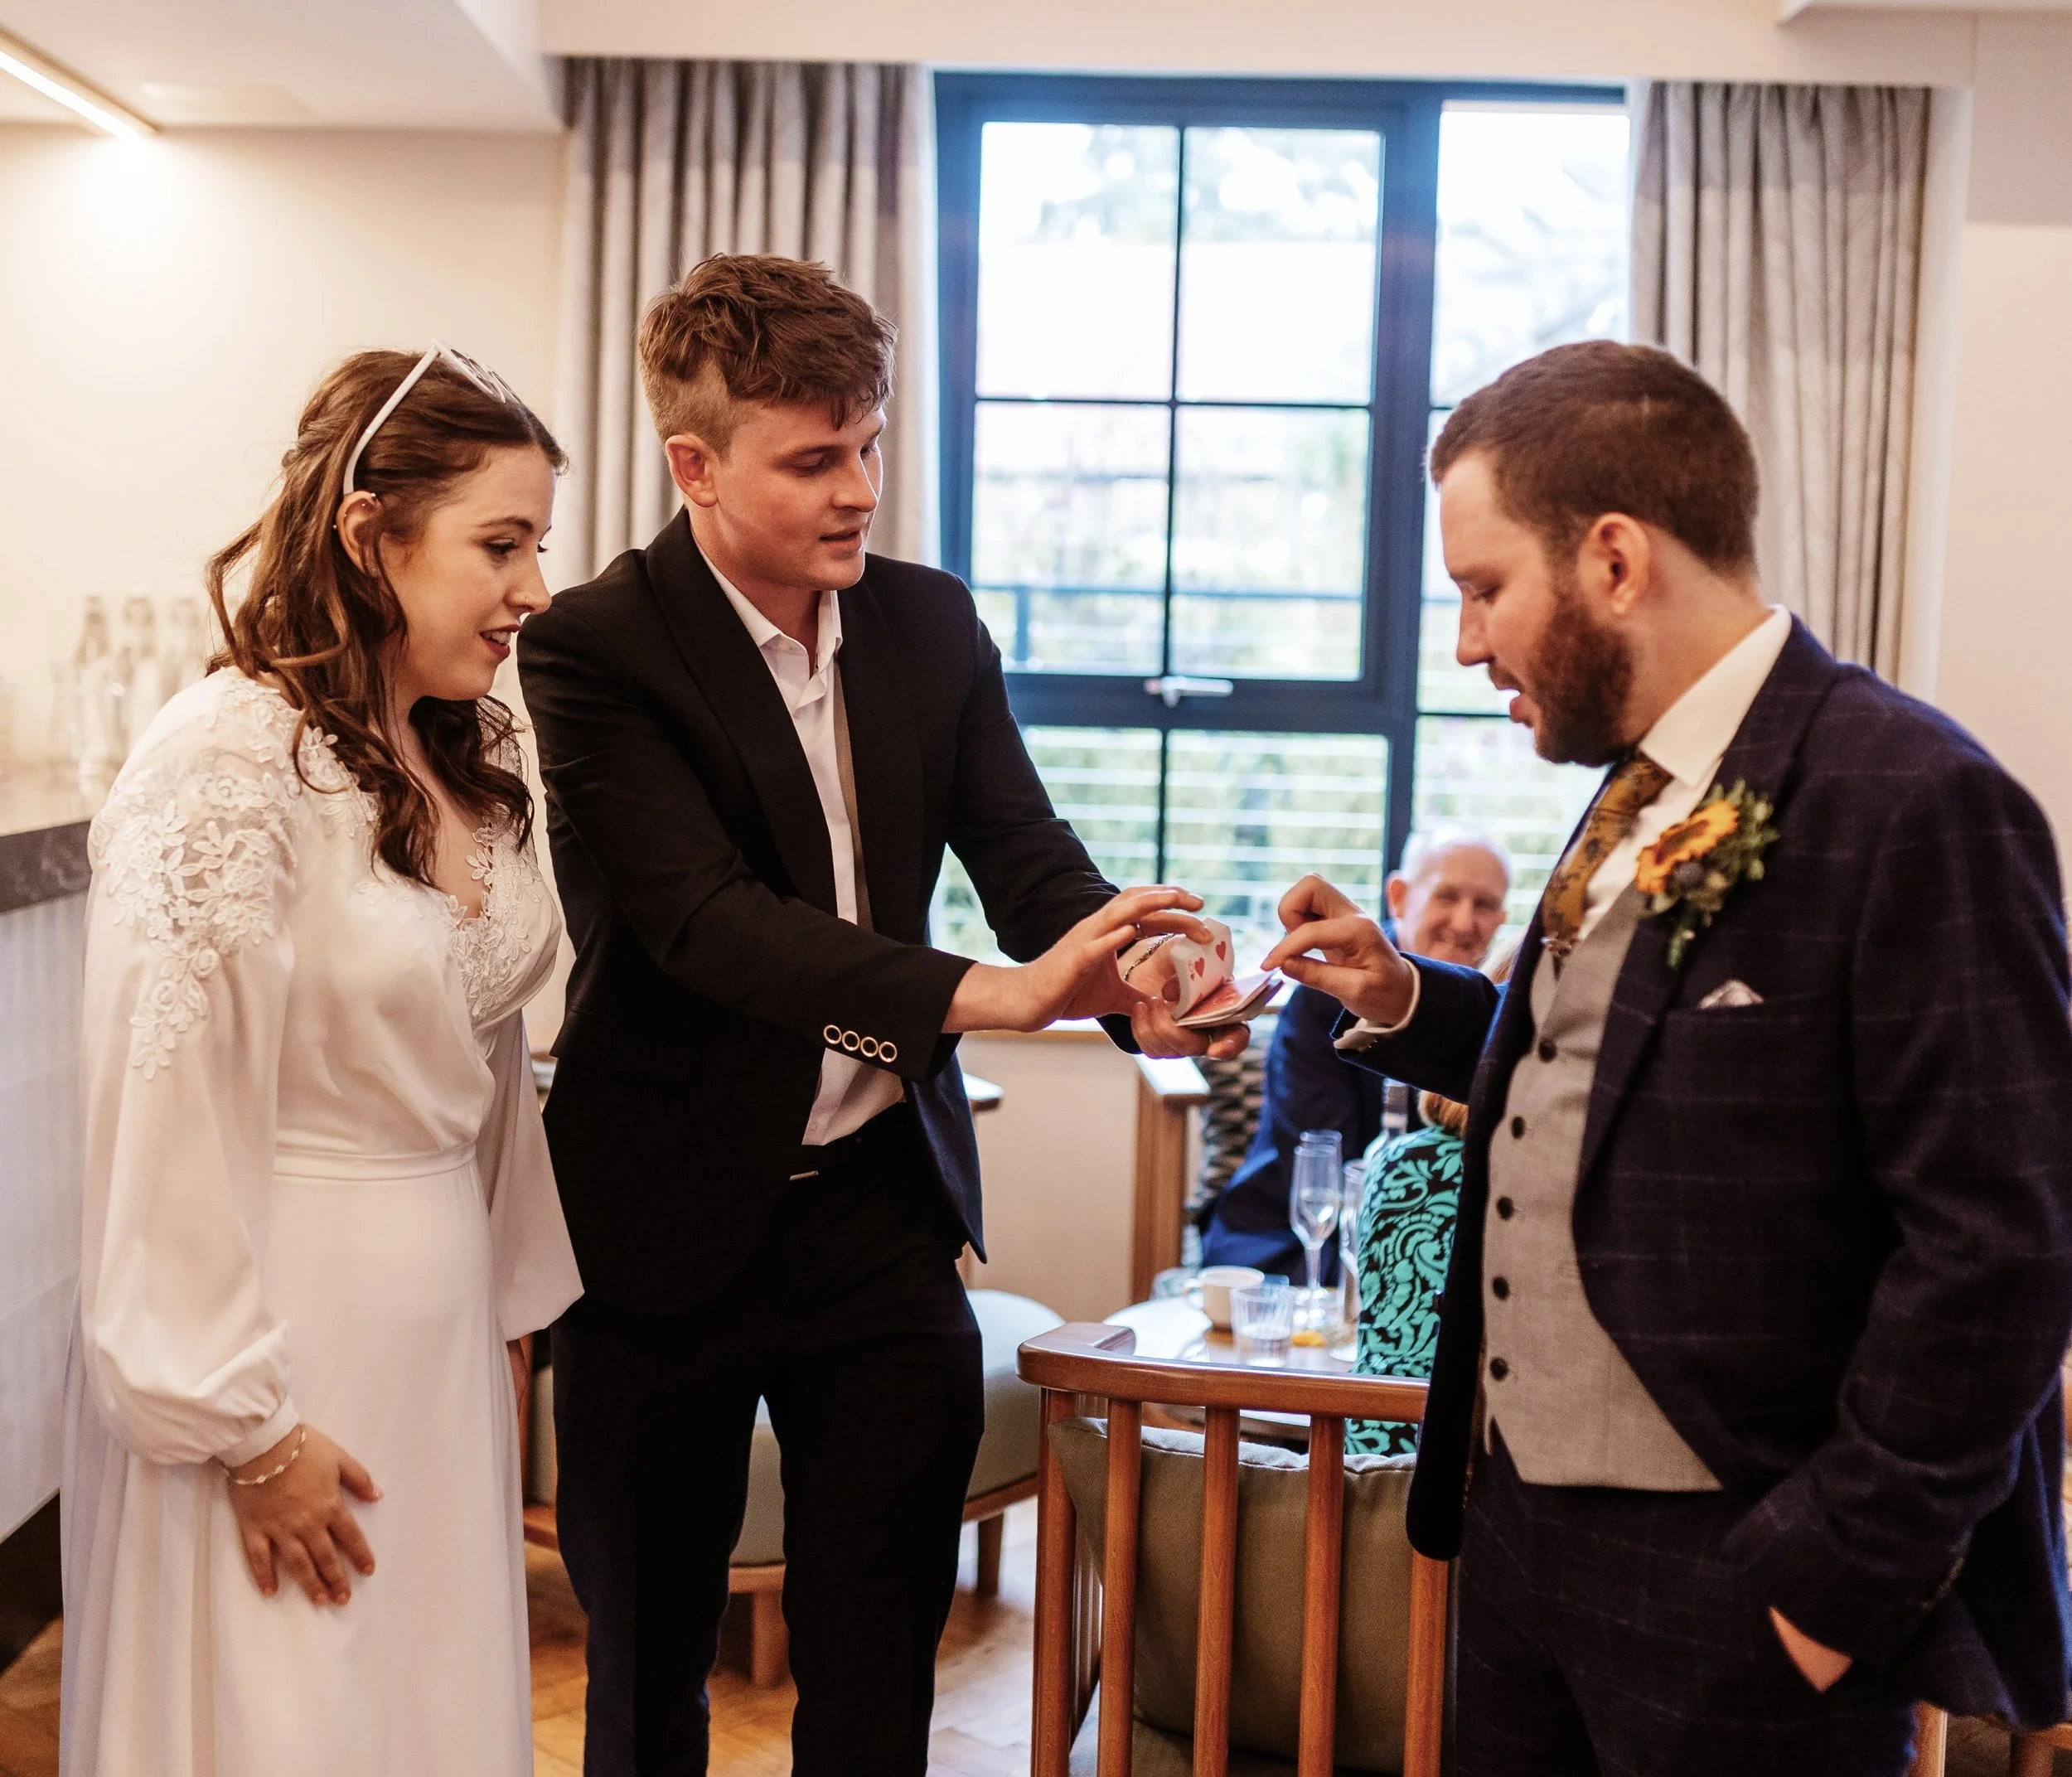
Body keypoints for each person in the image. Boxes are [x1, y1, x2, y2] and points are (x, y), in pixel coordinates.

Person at [1265, 340, 2072, 1775]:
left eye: (1484, 586)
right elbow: (1610, 1059)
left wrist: (1829, 1582)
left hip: (1743, 1577)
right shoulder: (1633, 784)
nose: (1463, 642)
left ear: (1616, 559)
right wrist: (1412, 997)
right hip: (1519, 1540)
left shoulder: (1918, 802)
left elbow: (2004, 1244)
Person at [516, 254, 1240, 1777]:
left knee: (880, 1654)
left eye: (870, 443)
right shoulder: (594, 645)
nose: (859, 489)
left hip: (878, 1216)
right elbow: (710, 924)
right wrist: (998, 993)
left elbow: (1029, 859)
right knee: (648, 1667)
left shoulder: (924, 620)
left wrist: (1139, 978)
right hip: (657, 1225)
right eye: (813, 457)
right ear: (695, 466)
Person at [61, 346, 583, 1776]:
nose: (535, 585)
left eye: (539, 541)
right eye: (500, 542)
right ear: (369, 534)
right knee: (294, 1710)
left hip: (440, 1342)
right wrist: (247, 1424)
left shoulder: (470, 750)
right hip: (288, 1341)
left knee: (421, 1708)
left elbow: (482, 1067)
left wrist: (507, 1304)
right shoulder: (223, 764)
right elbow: (161, 1109)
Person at [1202, 827, 1509, 1280]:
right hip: (1295, 1238)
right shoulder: (1330, 990)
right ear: (1399, 897)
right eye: (1447, 896)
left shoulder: (1504, 1015)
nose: (1464, 923)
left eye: (1484, 904)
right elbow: (1317, 1154)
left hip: (1437, 1250)